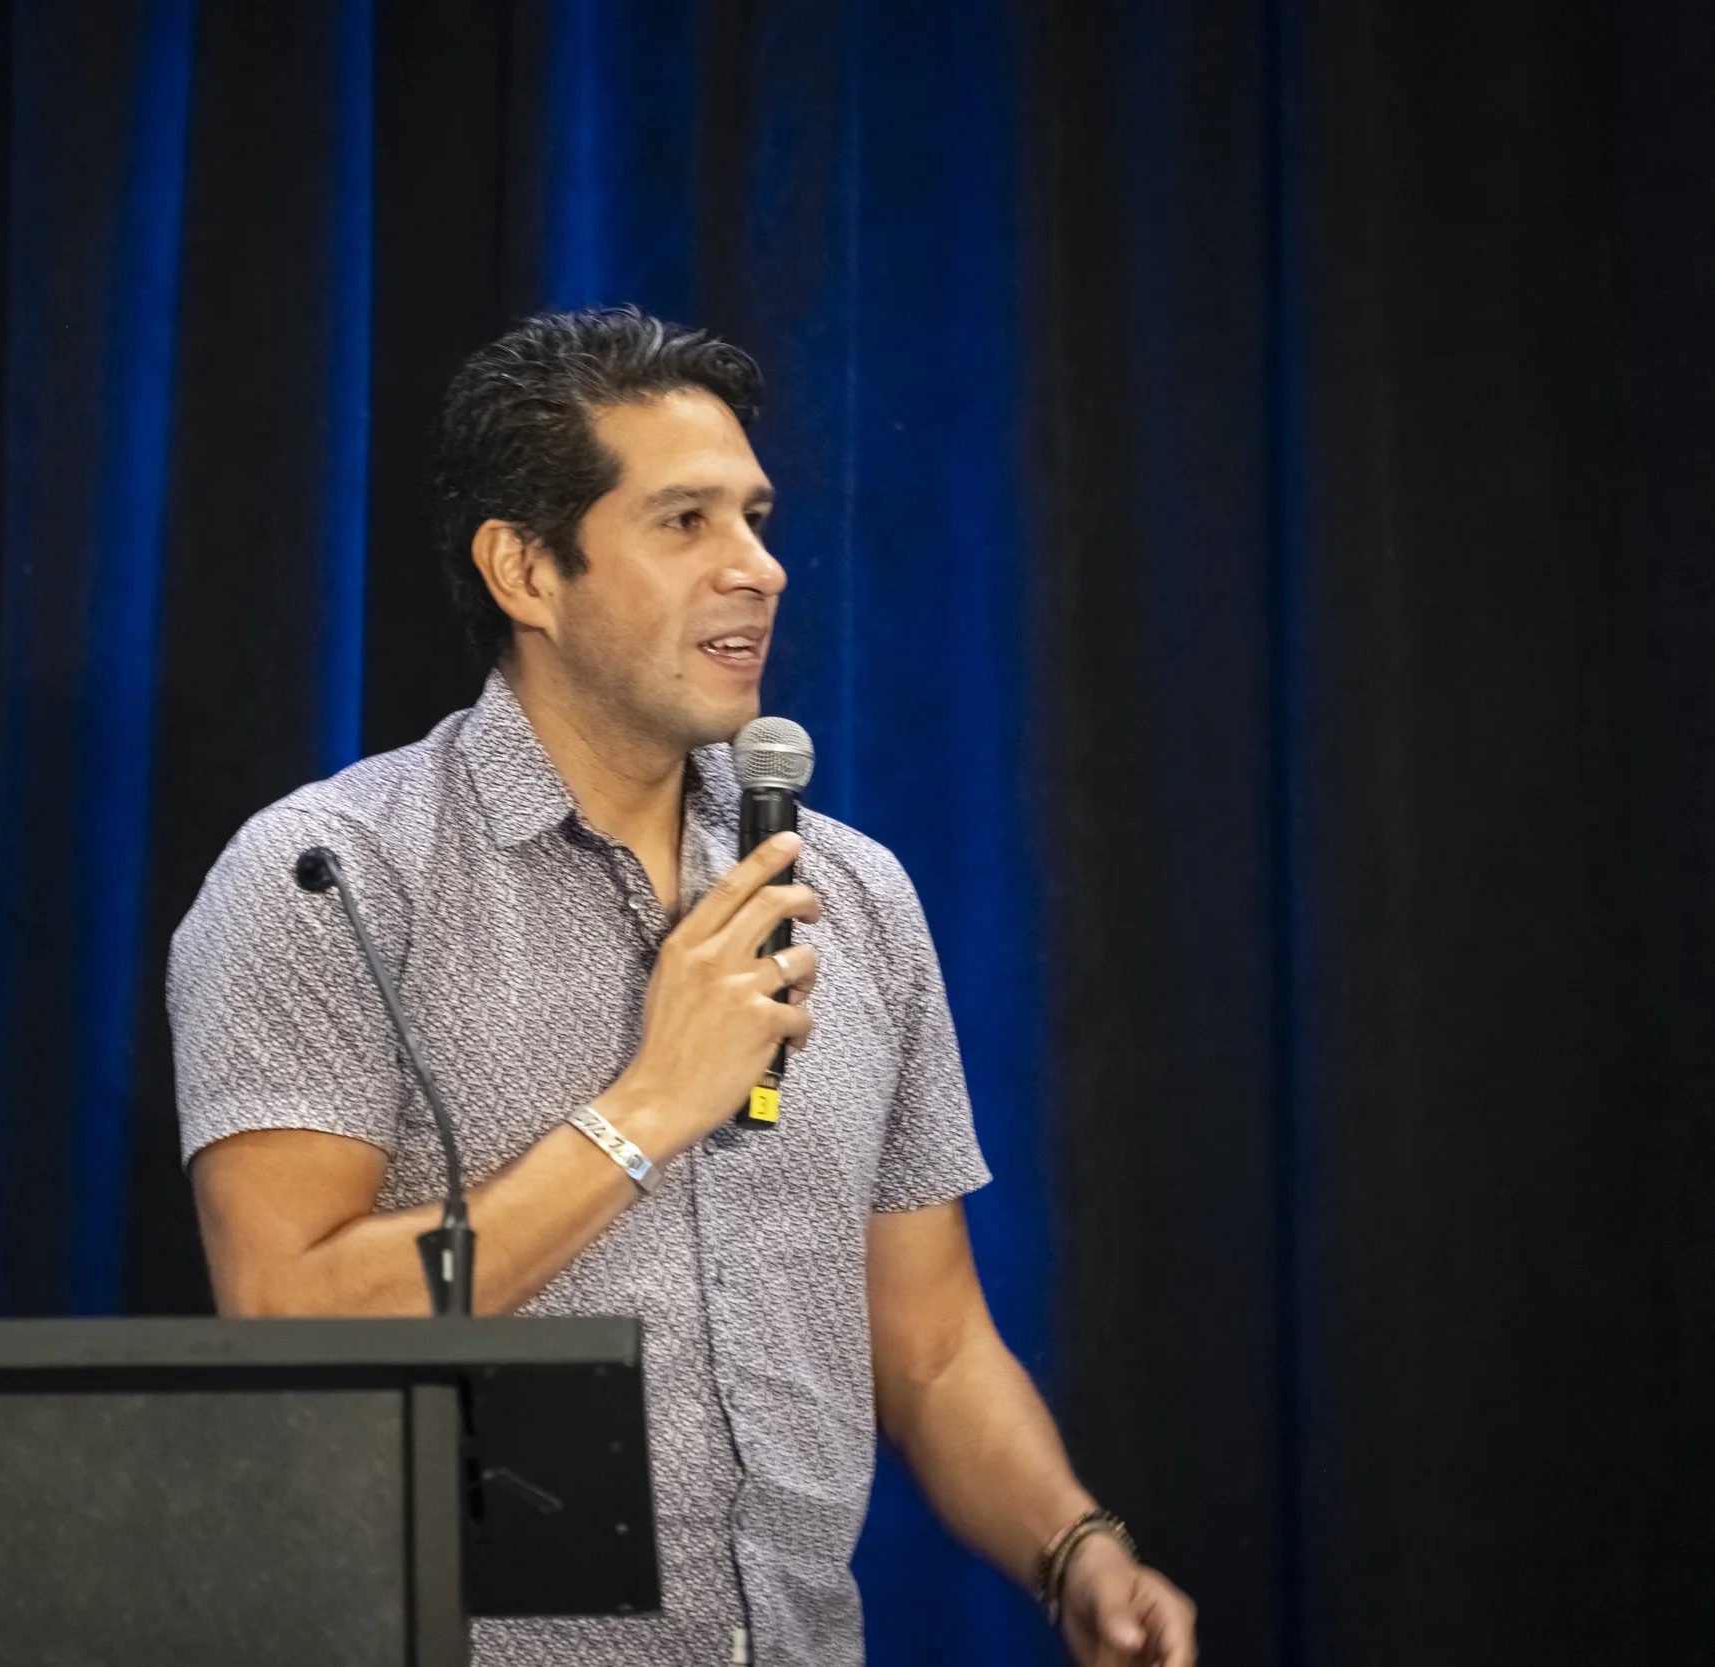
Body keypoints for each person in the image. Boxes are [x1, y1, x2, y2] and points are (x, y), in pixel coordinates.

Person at [167, 308, 1196, 1666]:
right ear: (527, 570)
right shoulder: (334, 877)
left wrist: (1074, 1550)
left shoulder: (854, 891)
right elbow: (288, 1319)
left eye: (758, 519)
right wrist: (649, 1106)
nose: (759, 569)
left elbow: (935, 1345)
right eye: (686, 522)